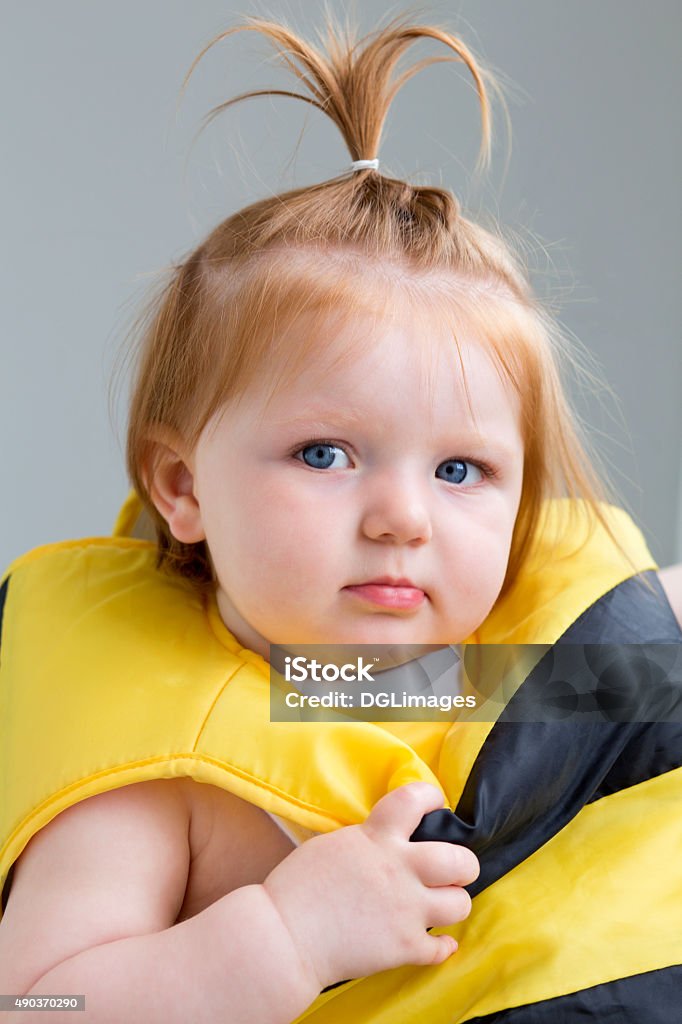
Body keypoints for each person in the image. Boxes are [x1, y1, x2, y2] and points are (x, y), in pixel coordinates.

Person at [1, 12, 681, 1024]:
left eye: (461, 468)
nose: (402, 517)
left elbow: (631, 659)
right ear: (180, 487)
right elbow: (37, 1001)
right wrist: (281, 935)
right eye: (325, 454)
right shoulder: (158, 776)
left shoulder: (447, 671)